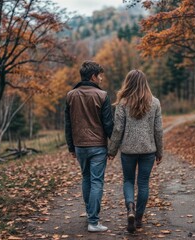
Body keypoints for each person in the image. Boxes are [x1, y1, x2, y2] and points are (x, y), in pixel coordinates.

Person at [108, 69, 163, 233]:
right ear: (144, 83)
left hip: (128, 150)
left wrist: (112, 150)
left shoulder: (122, 103)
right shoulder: (155, 102)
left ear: (128, 83)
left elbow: (118, 129)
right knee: (143, 183)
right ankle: (138, 218)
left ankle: (130, 208)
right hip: (148, 150)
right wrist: (160, 152)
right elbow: (158, 130)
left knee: (128, 181)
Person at [65, 60, 114, 232]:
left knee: (86, 179)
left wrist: (71, 147)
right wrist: (114, 146)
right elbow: (108, 124)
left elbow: (68, 124)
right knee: (96, 182)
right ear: (93, 76)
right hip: (98, 146)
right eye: (100, 75)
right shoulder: (102, 95)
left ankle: (89, 213)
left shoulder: (70, 95)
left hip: (80, 146)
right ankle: (93, 222)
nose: (101, 79)